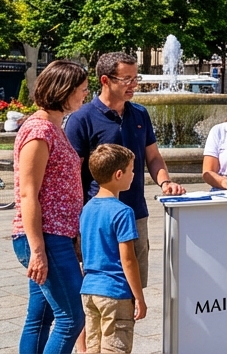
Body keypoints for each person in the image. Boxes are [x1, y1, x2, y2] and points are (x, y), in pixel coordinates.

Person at [66, 52, 185, 298]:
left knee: (134, 288)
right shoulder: (81, 119)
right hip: (99, 218)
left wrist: (165, 182)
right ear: (105, 80)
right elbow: (72, 175)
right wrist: (76, 224)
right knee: (99, 288)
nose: (134, 85)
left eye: (135, 78)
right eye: (127, 79)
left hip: (135, 214)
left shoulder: (140, 114)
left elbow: (153, 157)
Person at [13, 60, 90, 354]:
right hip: (47, 237)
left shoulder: (53, 127)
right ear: (64, 90)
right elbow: (28, 194)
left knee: (41, 317)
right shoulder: (39, 131)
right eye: (82, 89)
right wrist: (38, 251)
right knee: (71, 319)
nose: (86, 94)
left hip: (55, 236)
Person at [79, 144, 147, 354]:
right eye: (131, 170)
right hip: (115, 292)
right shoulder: (123, 212)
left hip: (89, 290)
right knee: (115, 349)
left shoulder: (87, 209)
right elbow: (128, 260)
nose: (134, 175)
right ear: (119, 174)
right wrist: (139, 297)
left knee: (93, 348)